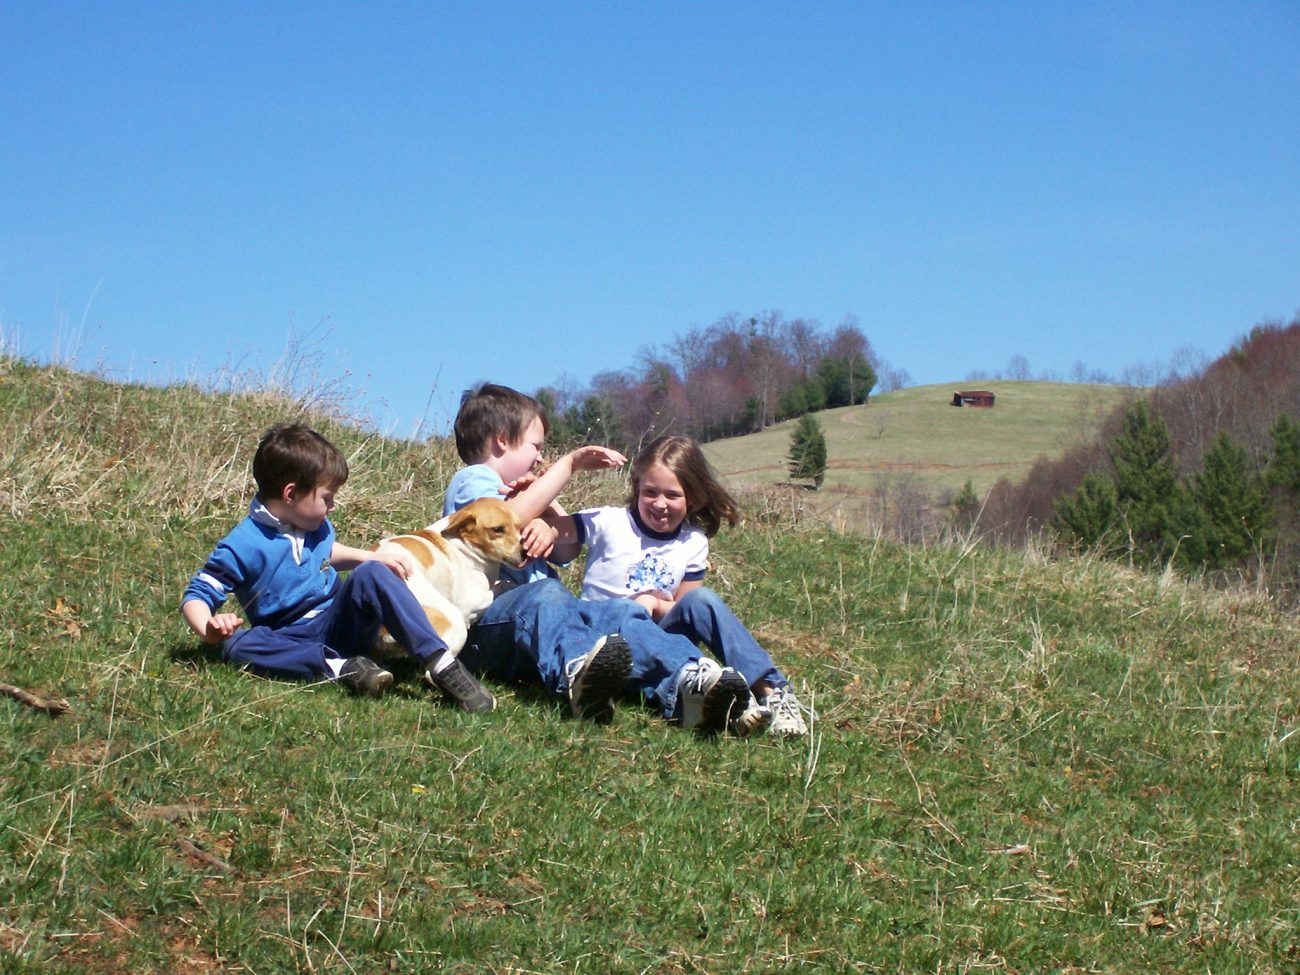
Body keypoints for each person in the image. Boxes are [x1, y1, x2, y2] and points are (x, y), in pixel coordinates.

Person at [445, 384, 767, 734]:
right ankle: (577, 674)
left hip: (539, 631)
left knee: (623, 612)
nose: (540, 458)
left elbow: (565, 552)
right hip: (487, 631)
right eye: (536, 446)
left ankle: (691, 684)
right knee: (546, 596)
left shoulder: (517, 496)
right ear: (502, 440)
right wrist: (568, 465)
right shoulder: (473, 481)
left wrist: (546, 510)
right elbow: (511, 518)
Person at [181, 422, 495, 712]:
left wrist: (370, 558)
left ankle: (441, 663)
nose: (332, 507)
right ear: (291, 494)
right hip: (291, 639)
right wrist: (208, 628)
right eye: (327, 498)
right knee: (236, 644)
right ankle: (342, 669)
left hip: (340, 621)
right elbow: (197, 594)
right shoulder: (244, 544)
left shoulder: (314, 525)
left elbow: (326, 552)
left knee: (373, 573)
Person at [546, 434, 810, 737]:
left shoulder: (693, 541)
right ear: (637, 487)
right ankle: (728, 703)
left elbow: (686, 608)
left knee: (704, 600)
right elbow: (555, 530)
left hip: (661, 639)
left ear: (693, 497)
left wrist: (655, 604)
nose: (660, 504)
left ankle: (772, 693)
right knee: (622, 611)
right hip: (607, 649)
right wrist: (542, 512)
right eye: (650, 492)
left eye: (672, 495)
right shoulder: (609, 522)